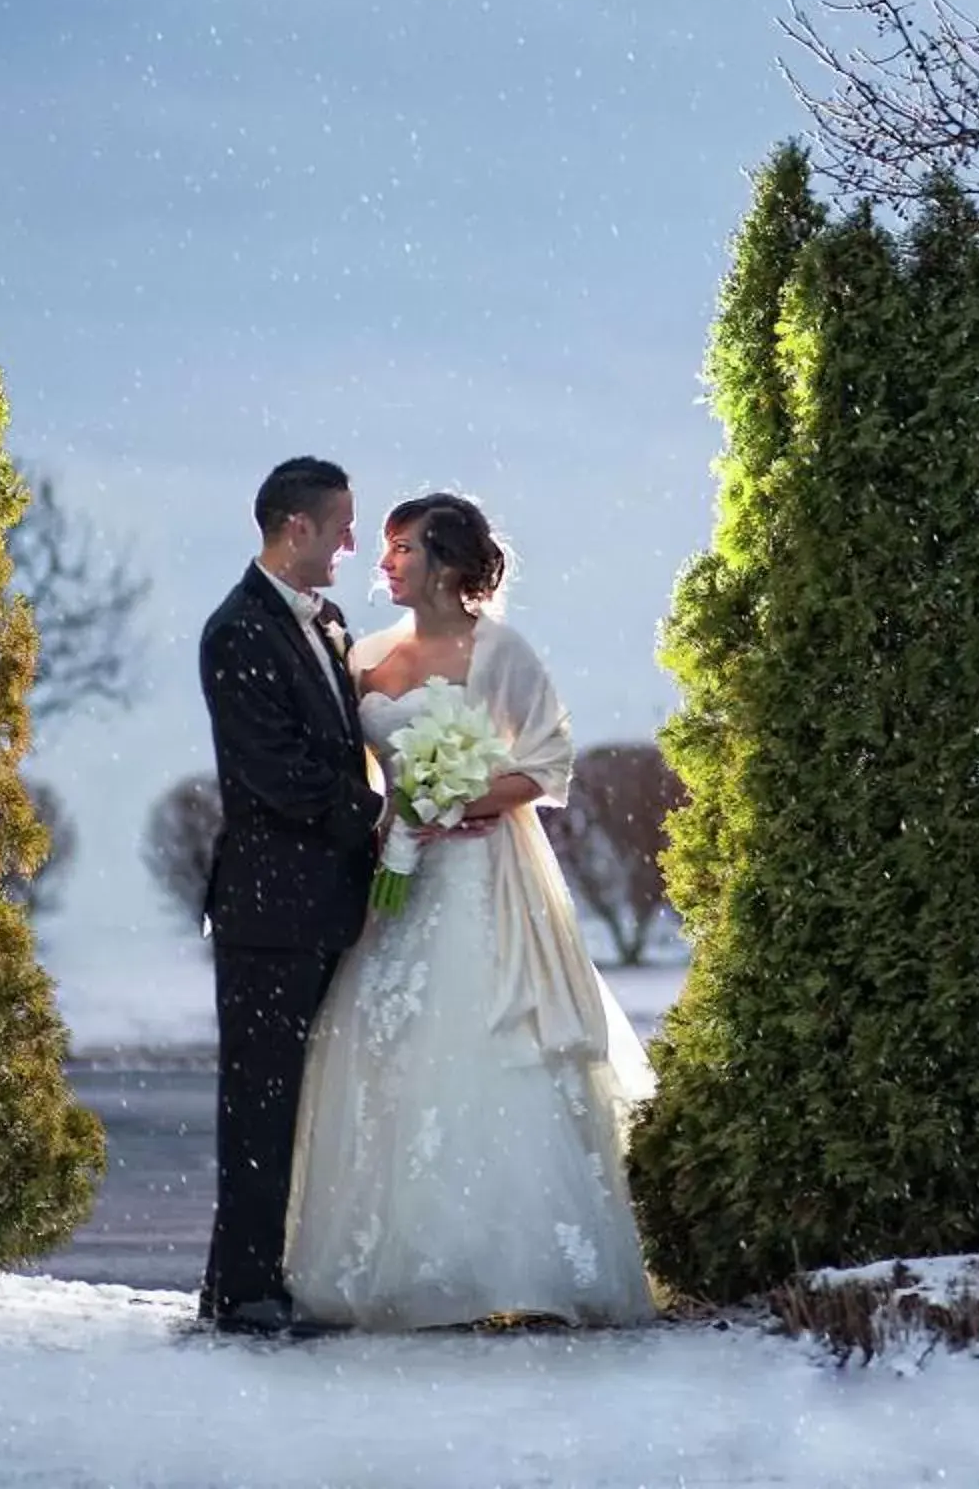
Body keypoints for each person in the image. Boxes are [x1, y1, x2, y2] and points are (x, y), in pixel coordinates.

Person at [284, 491, 655, 1329]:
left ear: (448, 564)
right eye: (383, 548)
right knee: (386, 1046)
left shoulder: (503, 653)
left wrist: (460, 796)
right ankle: (399, 1269)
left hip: (486, 879)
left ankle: (510, 1265)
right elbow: (355, 768)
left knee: (493, 1045)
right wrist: (394, 819)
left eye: (402, 548)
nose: (385, 562)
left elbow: (550, 762)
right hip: (400, 881)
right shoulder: (364, 655)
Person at [195, 457, 382, 1336]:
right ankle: (243, 1292)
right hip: (269, 912)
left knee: (310, 1102)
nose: (353, 540)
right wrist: (382, 815)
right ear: (295, 527)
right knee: (260, 1102)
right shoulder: (236, 631)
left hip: (327, 905)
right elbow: (278, 777)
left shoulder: (330, 621)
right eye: (343, 523)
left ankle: (278, 1271)